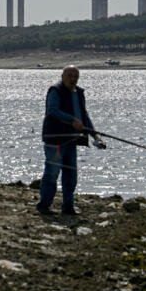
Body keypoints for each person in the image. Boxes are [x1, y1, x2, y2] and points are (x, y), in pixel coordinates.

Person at [38, 65, 105, 215]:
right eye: (69, 76)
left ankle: (68, 207)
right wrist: (71, 120)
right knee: (52, 173)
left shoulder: (79, 93)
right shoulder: (55, 91)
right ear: (62, 76)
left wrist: (95, 136)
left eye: (75, 76)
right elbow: (52, 110)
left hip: (71, 141)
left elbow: (84, 117)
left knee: (71, 175)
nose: (72, 79)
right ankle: (44, 205)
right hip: (55, 141)